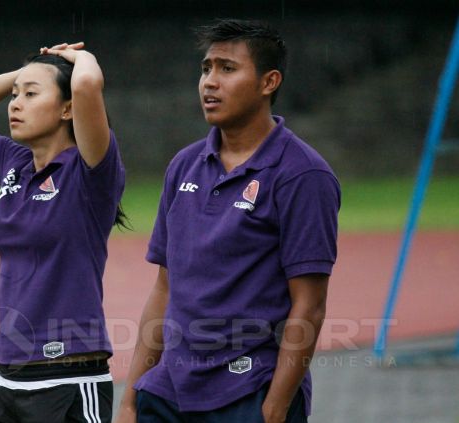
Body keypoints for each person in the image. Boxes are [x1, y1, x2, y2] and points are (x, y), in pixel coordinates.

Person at [115, 19, 339, 423]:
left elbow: (310, 305)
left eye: (227, 69)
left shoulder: (303, 175)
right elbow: (164, 287)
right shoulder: (184, 165)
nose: (209, 83)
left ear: (269, 82)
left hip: (248, 392)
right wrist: (131, 399)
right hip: (168, 394)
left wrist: (273, 409)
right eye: (206, 69)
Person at [0, 42, 126, 423]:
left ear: (67, 108)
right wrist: (31, 72)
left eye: (31, 95)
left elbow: (88, 83)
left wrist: (71, 59)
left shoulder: (89, 172)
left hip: (69, 377)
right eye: (14, 95)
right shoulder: (14, 165)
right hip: (9, 375)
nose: (14, 104)